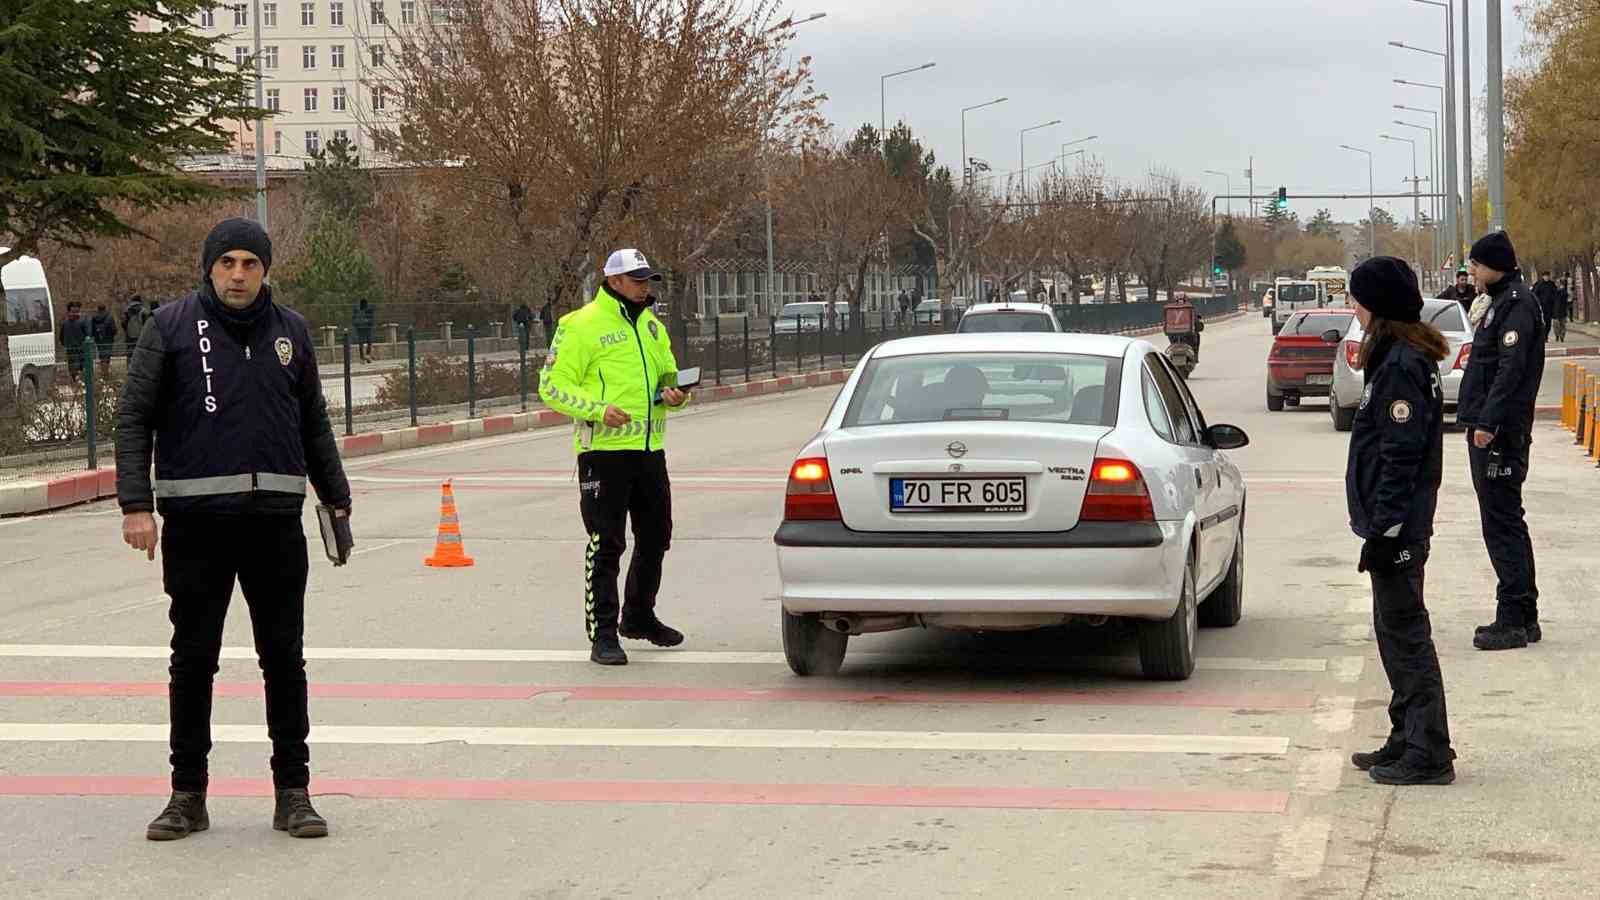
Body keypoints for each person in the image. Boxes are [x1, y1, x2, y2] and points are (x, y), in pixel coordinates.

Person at [116, 217, 352, 841]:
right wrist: (136, 505)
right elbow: (133, 419)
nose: (239, 274)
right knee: (193, 662)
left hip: (274, 525)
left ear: (265, 269)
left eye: (250, 263)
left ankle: (293, 793)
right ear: (210, 268)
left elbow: (315, 423)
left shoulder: (291, 332)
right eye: (228, 264)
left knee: (284, 660)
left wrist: (337, 499)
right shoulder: (169, 329)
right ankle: (186, 795)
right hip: (196, 527)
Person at [538, 249, 692, 666]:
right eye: (638, 279)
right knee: (606, 543)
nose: (645, 287)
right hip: (604, 452)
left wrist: (675, 395)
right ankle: (603, 634)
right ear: (614, 281)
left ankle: (639, 616)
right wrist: (598, 409)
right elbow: (551, 386)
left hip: (649, 449)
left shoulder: (653, 326)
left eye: (648, 280)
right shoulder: (580, 325)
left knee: (657, 535)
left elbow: (667, 379)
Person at [1343, 256, 1455, 786]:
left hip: (1400, 526)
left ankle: (1429, 750)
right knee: (1393, 633)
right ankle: (1404, 734)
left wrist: (1385, 529)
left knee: (1407, 635)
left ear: (1379, 304)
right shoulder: (1394, 357)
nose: (1353, 308)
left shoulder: (1402, 366)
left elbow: (1400, 456)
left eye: (1358, 298)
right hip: (1394, 524)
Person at [1456, 231, 1545, 651]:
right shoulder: (1498, 303)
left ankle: (1512, 617)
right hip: (1494, 429)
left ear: (1496, 264)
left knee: (1502, 522)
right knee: (1506, 519)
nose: (1470, 270)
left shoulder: (1515, 305)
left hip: (1502, 434)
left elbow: (1509, 372)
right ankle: (1524, 613)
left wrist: (1487, 422)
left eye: (1475, 263)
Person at [59, 301, 90, 383]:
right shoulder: (82, 322)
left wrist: (66, 344)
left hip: (70, 348)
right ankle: (80, 381)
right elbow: (87, 335)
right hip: (80, 348)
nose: (76, 313)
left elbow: (61, 337)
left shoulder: (64, 323)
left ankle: (75, 381)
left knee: (73, 366)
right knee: (81, 366)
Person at [90, 303, 118, 374]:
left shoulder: (94, 317)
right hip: (108, 338)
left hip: (99, 339)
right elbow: (113, 328)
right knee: (107, 354)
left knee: (101, 353)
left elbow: (92, 329)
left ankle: (103, 369)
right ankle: (106, 370)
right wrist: (113, 334)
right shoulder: (110, 317)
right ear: (105, 309)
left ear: (98, 309)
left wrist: (96, 335)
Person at [123, 295, 148, 363]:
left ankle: (130, 368)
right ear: (140, 301)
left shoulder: (127, 310)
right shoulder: (144, 310)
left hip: (129, 336)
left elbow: (124, 324)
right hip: (141, 335)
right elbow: (146, 324)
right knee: (141, 352)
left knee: (130, 353)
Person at [352, 298, 375, 364]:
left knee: (364, 343)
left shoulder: (358, 310)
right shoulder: (367, 310)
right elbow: (372, 319)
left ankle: (364, 357)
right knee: (367, 342)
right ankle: (365, 357)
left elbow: (354, 320)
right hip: (364, 328)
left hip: (363, 328)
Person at [1554, 278, 1572, 342]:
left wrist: (1562, 289)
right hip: (1555, 310)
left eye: (1559, 283)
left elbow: (1565, 296)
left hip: (1562, 310)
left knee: (1562, 324)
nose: (1557, 284)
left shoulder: (1564, 291)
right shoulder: (1554, 291)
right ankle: (1557, 335)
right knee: (1556, 324)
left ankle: (1562, 336)